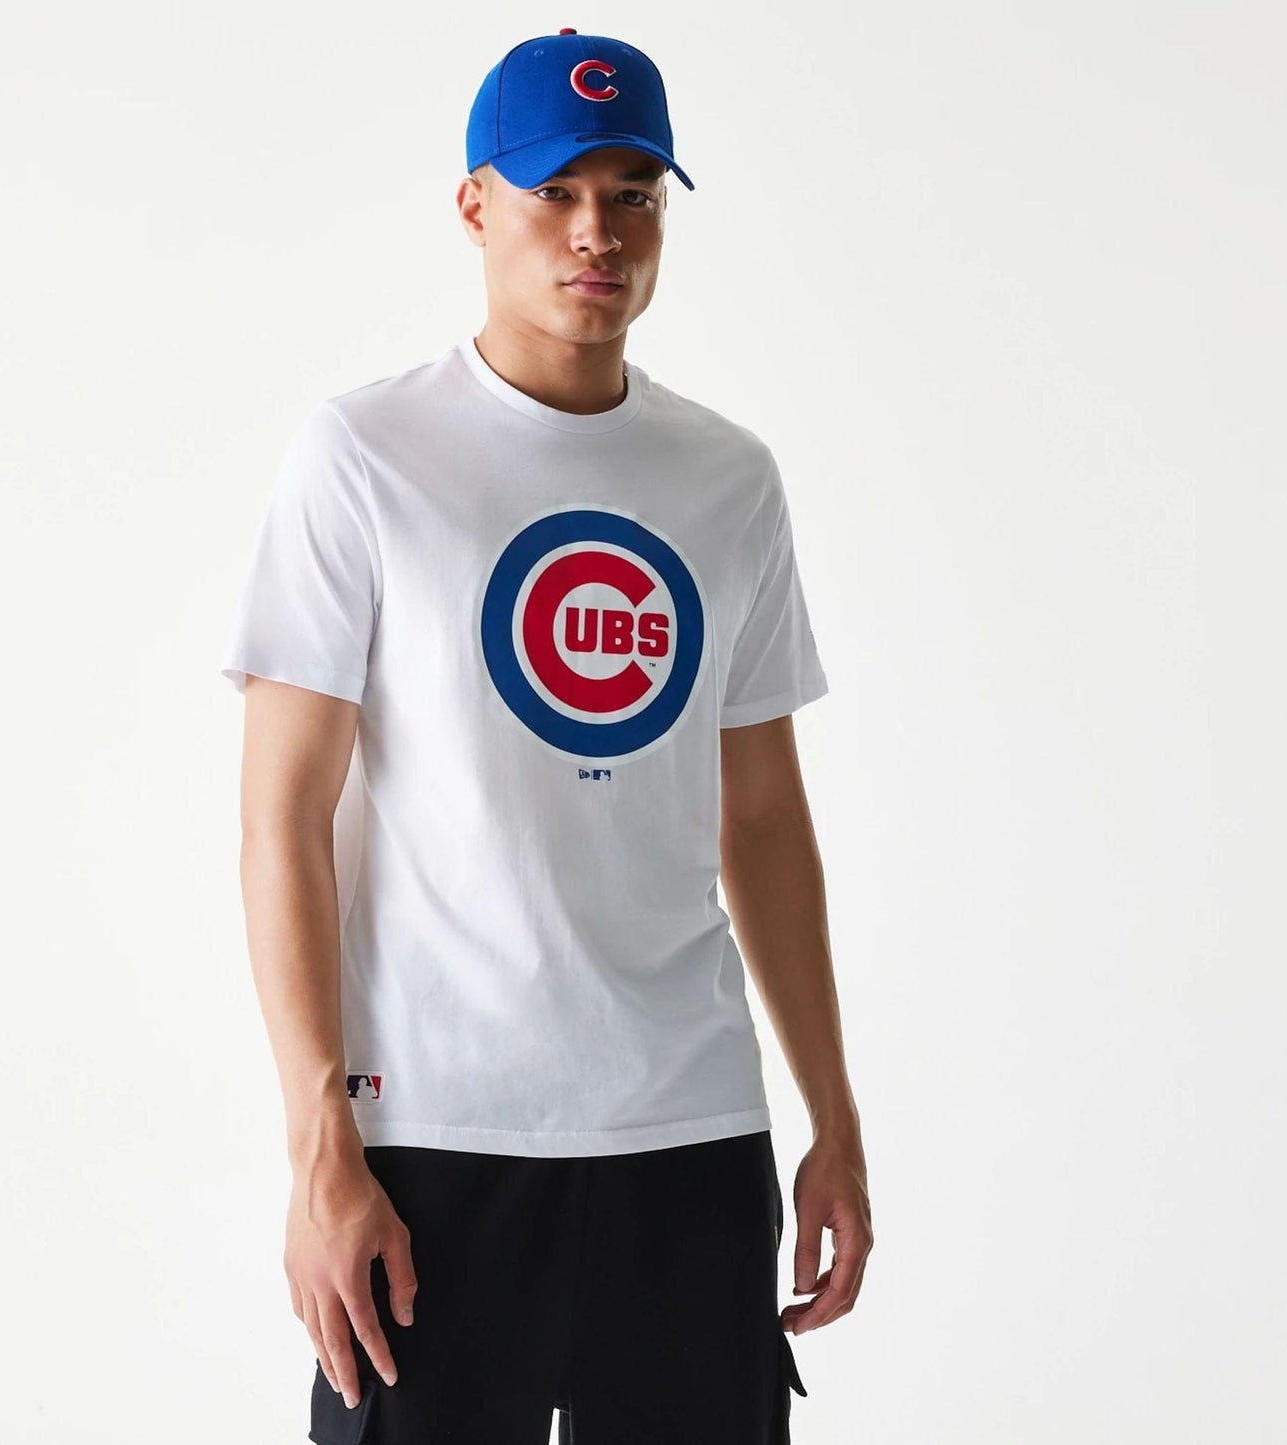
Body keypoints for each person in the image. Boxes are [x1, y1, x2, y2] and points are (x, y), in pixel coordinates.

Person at [218, 27, 871, 1445]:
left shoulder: (727, 479)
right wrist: (319, 1145)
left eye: (633, 194)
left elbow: (762, 816)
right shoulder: (365, 456)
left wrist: (832, 1116)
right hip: (434, 1138)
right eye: (555, 191)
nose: (597, 233)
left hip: (689, 1134)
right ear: (475, 205)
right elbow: (282, 817)